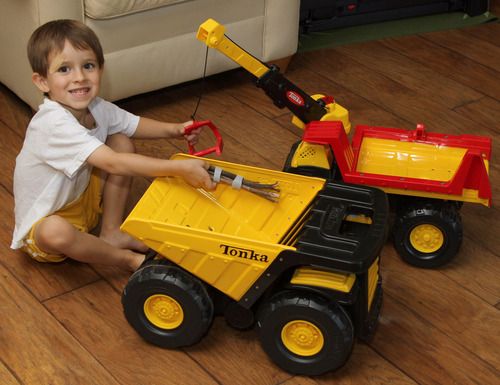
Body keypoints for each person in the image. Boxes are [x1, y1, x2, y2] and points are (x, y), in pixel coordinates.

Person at [11, 19, 216, 271]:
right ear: (42, 82)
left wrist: (174, 130)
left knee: (120, 140)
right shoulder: (51, 123)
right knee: (56, 231)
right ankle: (128, 261)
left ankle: (112, 231)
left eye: (88, 66)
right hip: (45, 224)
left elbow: (133, 124)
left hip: (80, 200)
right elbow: (112, 163)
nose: (80, 78)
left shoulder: (97, 107)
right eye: (64, 69)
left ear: (101, 69)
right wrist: (179, 168)